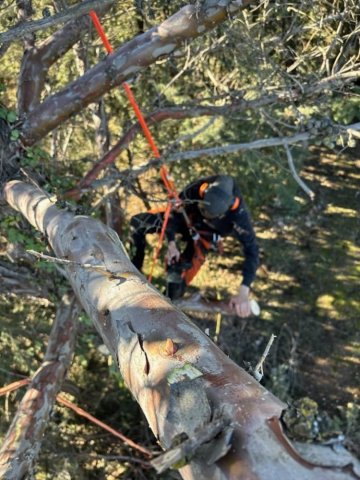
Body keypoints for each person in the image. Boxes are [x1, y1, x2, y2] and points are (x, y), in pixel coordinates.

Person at [130, 174, 259, 317]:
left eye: (210, 215)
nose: (205, 214)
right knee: (138, 223)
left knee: (178, 282)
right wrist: (171, 242)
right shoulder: (199, 187)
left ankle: (160, 310)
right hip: (184, 219)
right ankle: (132, 269)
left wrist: (243, 292)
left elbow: (252, 251)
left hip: (203, 237)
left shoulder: (240, 217)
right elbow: (174, 213)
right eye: (203, 209)